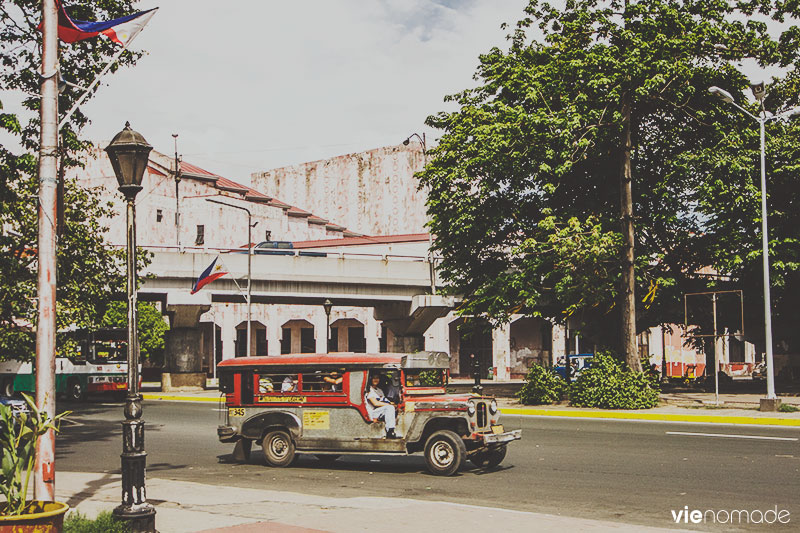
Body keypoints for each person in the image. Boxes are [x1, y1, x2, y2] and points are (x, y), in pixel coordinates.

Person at [366, 373, 399, 438]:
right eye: (374, 378)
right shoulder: (369, 389)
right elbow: (375, 403)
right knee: (389, 408)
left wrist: (395, 405)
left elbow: (385, 400)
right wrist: (390, 405)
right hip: (371, 413)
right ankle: (390, 430)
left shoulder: (379, 390)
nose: (376, 380)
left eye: (377, 378)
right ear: (370, 379)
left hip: (379, 412)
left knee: (392, 408)